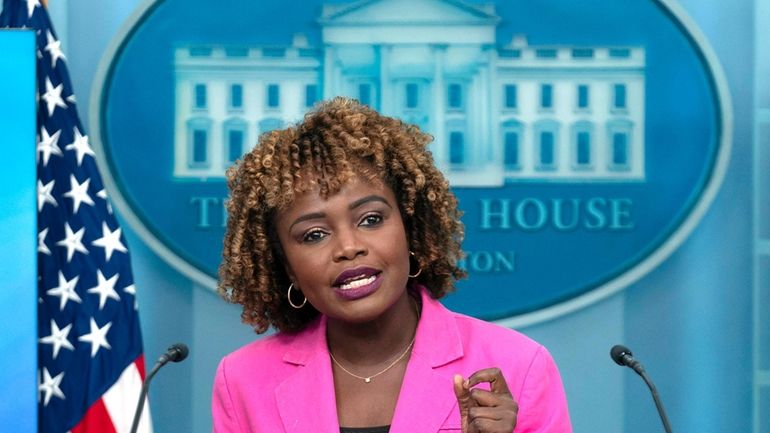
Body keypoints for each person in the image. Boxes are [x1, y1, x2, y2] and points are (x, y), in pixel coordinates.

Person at [212, 97, 572, 433]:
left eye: (370, 219)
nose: (349, 247)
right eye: (314, 235)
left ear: (409, 227)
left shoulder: (518, 365)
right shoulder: (242, 380)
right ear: (287, 266)